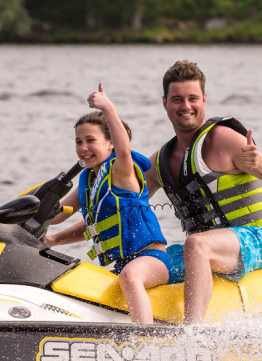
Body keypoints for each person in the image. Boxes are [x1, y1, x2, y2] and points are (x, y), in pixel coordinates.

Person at [144, 60, 262, 325]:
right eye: (177, 99)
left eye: (192, 98)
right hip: (206, 251)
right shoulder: (161, 161)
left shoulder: (224, 139)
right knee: (144, 262)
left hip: (257, 239)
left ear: (204, 99)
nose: (186, 106)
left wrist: (261, 165)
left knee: (196, 244)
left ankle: (193, 334)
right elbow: (124, 202)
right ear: (165, 102)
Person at [44, 83, 171, 324]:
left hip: (152, 259)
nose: (83, 148)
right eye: (78, 142)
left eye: (90, 140)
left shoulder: (121, 170)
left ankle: (145, 341)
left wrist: (107, 107)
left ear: (110, 142)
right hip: (122, 264)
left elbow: (124, 150)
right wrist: (32, 225)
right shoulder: (89, 179)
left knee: (130, 276)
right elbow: (59, 214)